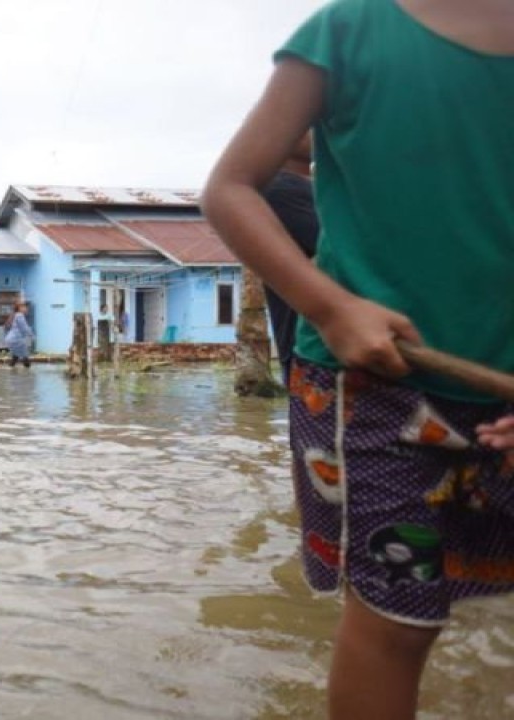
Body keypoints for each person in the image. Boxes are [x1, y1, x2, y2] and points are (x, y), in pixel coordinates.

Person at [202, 2, 514, 718]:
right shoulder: (348, 33)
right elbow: (228, 187)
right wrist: (333, 307)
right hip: (374, 387)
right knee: (396, 620)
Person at [261, 132, 319, 384]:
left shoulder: (314, 190)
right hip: (317, 353)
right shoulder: (280, 189)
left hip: (317, 350)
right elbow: (344, 252)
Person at [3, 300, 35, 369]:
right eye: (25, 307)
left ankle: (10, 371)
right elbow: (24, 328)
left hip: (11, 340)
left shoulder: (16, 315)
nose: (26, 309)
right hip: (16, 340)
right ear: (20, 308)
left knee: (15, 357)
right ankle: (28, 375)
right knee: (25, 358)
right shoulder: (20, 315)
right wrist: (32, 336)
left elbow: (8, 328)